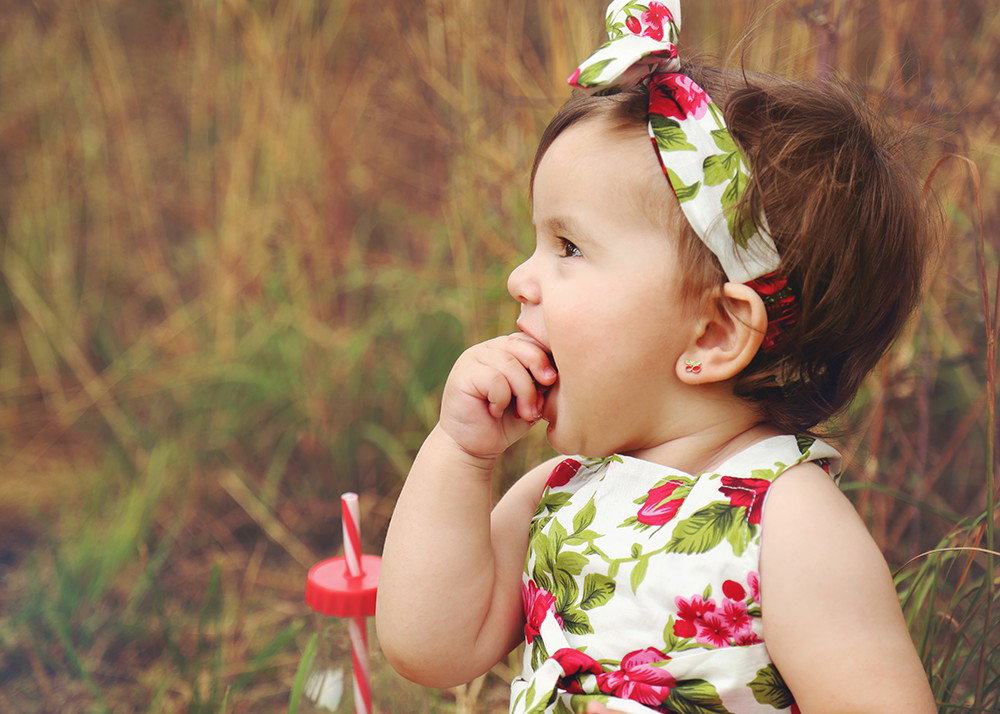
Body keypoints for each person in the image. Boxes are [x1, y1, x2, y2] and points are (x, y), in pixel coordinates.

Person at [376, 1, 937, 712]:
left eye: (569, 248)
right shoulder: (562, 490)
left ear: (714, 334)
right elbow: (429, 647)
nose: (520, 279)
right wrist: (462, 455)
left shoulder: (788, 524)